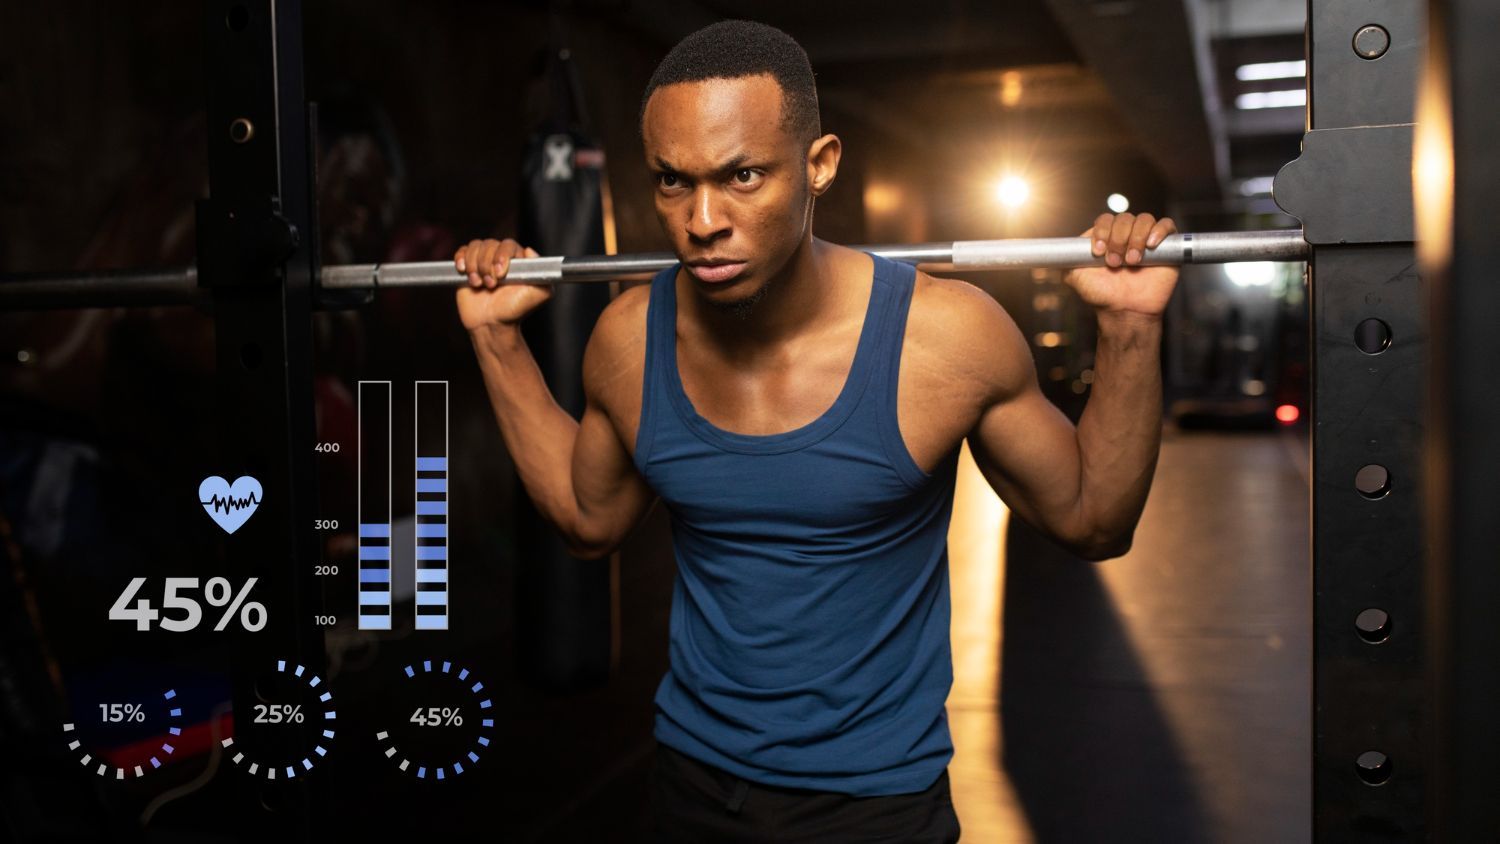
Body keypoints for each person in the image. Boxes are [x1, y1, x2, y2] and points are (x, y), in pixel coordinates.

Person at [456, 19, 1178, 843]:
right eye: (671, 181)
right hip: (689, 788)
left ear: (820, 165)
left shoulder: (943, 340)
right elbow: (589, 523)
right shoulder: (628, 341)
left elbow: (1094, 519)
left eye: (743, 176)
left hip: (876, 809)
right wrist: (496, 340)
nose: (701, 220)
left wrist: (1126, 328)